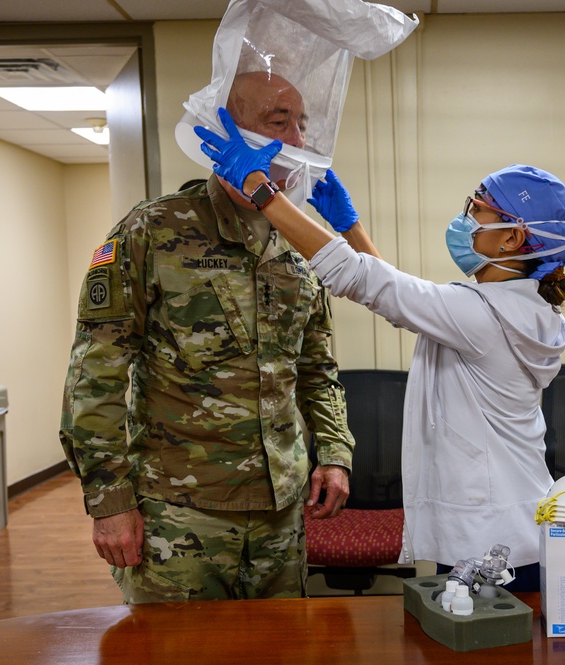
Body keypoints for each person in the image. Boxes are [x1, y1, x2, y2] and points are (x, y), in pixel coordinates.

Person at [194, 107, 565, 592]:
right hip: (511, 522)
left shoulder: (484, 316)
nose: (465, 218)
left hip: (488, 541)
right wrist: (350, 227)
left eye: (478, 210)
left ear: (512, 238)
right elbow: (401, 295)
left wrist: (264, 192)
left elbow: (363, 281)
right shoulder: (521, 311)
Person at [59, 72, 354, 603]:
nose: (299, 140)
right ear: (229, 131)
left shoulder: (301, 241)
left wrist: (333, 451)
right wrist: (109, 500)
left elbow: (317, 367)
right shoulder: (152, 230)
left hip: (281, 511)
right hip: (180, 512)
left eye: (303, 124)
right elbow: (96, 374)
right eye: (278, 121)